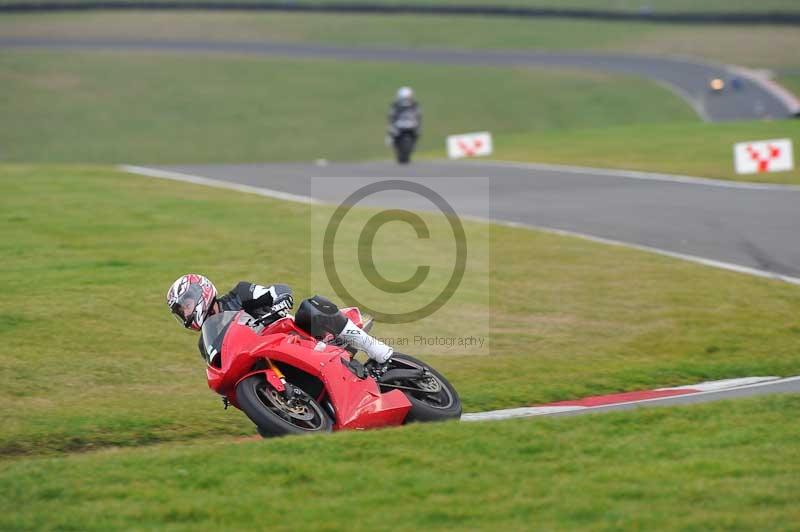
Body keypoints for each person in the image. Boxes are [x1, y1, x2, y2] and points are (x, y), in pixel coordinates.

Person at [166, 274, 393, 363]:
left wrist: (281, 299)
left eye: (185, 306)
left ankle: (375, 348)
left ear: (201, 293)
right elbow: (220, 367)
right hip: (264, 360)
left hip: (293, 335)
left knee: (310, 306)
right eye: (181, 312)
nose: (185, 314)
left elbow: (277, 290)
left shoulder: (240, 294)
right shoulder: (205, 342)